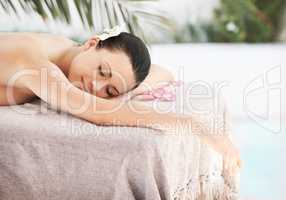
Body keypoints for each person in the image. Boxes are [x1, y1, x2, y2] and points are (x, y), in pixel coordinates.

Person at [0, 28, 241, 175]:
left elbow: (163, 72)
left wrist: (126, 93)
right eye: (102, 71)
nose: (96, 86)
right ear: (92, 43)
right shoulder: (32, 58)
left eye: (110, 90)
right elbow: (97, 111)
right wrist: (195, 125)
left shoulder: (67, 53)